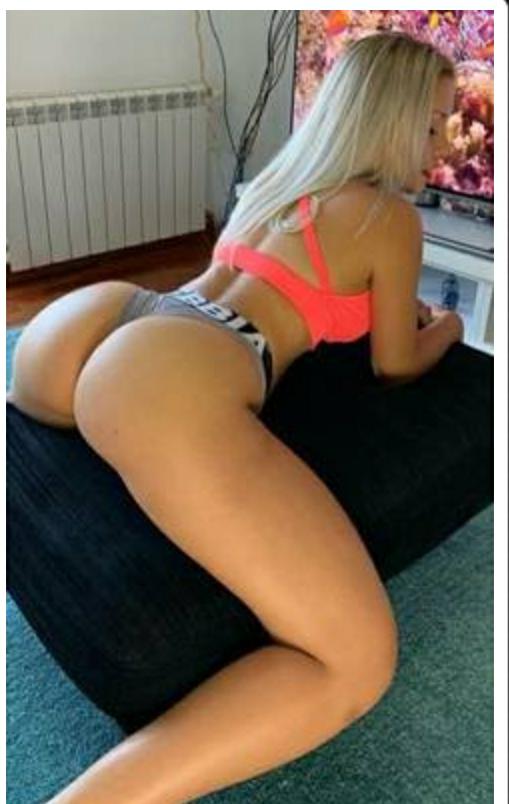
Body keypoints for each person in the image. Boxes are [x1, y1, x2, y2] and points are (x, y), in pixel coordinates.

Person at [8, 30, 463, 804]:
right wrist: (445, 327)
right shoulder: (386, 217)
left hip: (103, 326)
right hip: (174, 372)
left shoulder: (276, 183)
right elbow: (394, 364)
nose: (444, 145)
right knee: (354, 663)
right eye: (431, 124)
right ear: (387, 119)